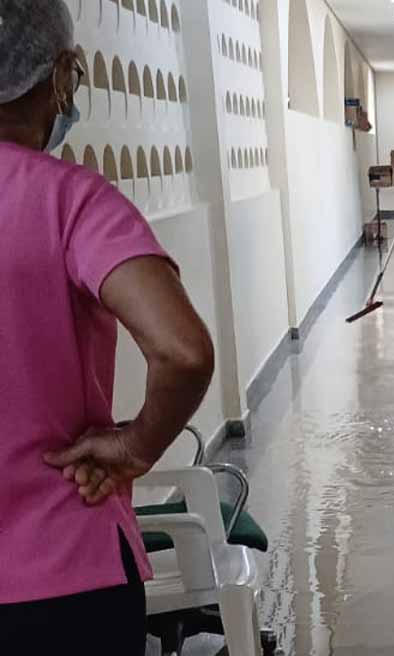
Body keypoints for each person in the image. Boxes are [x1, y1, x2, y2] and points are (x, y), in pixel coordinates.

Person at [0, 2, 215, 653]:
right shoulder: (68, 199)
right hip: (63, 575)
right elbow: (182, 352)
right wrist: (136, 448)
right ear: (61, 75)